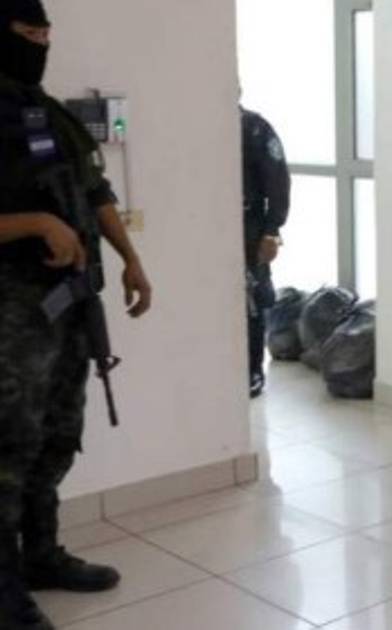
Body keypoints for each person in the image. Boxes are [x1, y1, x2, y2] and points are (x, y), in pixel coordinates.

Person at [0, 1, 152, 628]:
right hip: (12, 312)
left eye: (46, 33)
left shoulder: (49, 112)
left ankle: (41, 555)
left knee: (58, 433)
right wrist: (35, 222)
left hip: (67, 305)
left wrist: (131, 260)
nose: (41, 43)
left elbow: (95, 190)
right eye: (28, 33)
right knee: (8, 444)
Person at [240, 105, 290, 398]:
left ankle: (252, 371)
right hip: (213, 227)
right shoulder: (203, 124)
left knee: (253, 300)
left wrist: (272, 231)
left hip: (250, 227)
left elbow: (278, 182)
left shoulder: (254, 128)